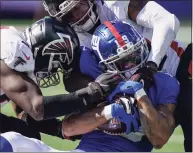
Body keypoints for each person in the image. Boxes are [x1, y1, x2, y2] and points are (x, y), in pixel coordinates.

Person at [0, 21, 180, 152]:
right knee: (12, 139)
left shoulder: (163, 83)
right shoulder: (10, 50)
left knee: (25, 133)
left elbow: (160, 138)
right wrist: (100, 98)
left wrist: (140, 94)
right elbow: (41, 110)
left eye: (136, 55)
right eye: (123, 62)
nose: (133, 65)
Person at [42, 1, 192, 150]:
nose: (77, 15)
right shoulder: (71, 39)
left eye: (78, 6)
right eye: (68, 14)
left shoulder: (115, 5)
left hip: (179, 68)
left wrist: (151, 65)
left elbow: (167, 21)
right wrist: (103, 89)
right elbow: (71, 80)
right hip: (142, 88)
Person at [0, 17, 108, 139]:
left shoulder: (19, 61)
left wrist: (61, 129)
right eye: (56, 63)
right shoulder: (11, 49)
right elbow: (36, 107)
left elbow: (24, 111)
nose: (54, 71)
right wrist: (92, 93)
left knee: (27, 136)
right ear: (45, 51)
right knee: (24, 140)